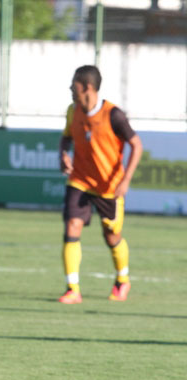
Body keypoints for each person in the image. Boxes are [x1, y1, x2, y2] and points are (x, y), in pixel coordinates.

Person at [57, 65, 142, 304]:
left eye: (74, 84)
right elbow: (66, 137)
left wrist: (125, 181)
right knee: (72, 226)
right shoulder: (72, 111)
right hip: (80, 180)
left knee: (111, 236)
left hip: (109, 186)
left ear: (87, 87)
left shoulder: (113, 115)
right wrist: (63, 154)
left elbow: (137, 145)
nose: (70, 89)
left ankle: (122, 280)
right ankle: (72, 288)